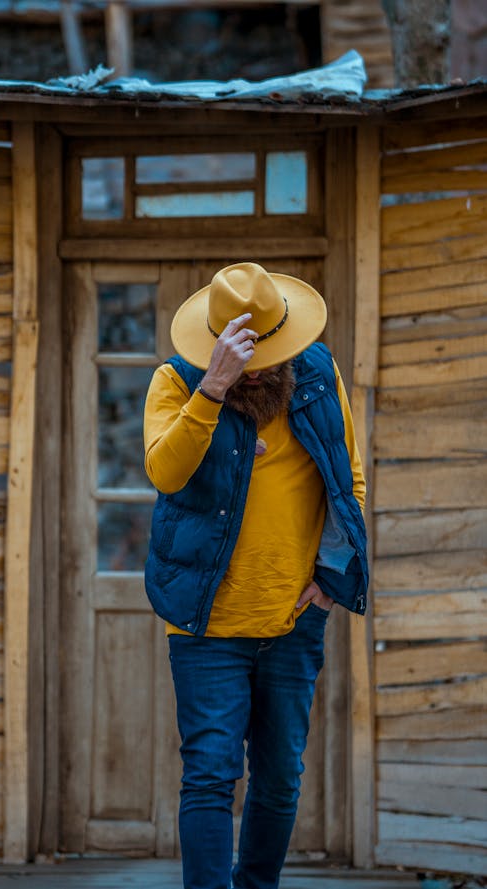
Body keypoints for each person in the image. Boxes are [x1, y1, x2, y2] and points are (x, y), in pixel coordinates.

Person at [143, 262, 368, 889]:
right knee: (211, 775)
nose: (268, 367)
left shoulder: (319, 374)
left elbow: (348, 482)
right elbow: (165, 473)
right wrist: (211, 390)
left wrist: (329, 580)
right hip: (205, 621)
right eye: (252, 356)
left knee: (279, 778)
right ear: (218, 344)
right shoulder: (176, 382)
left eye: (278, 351)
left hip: (295, 619)